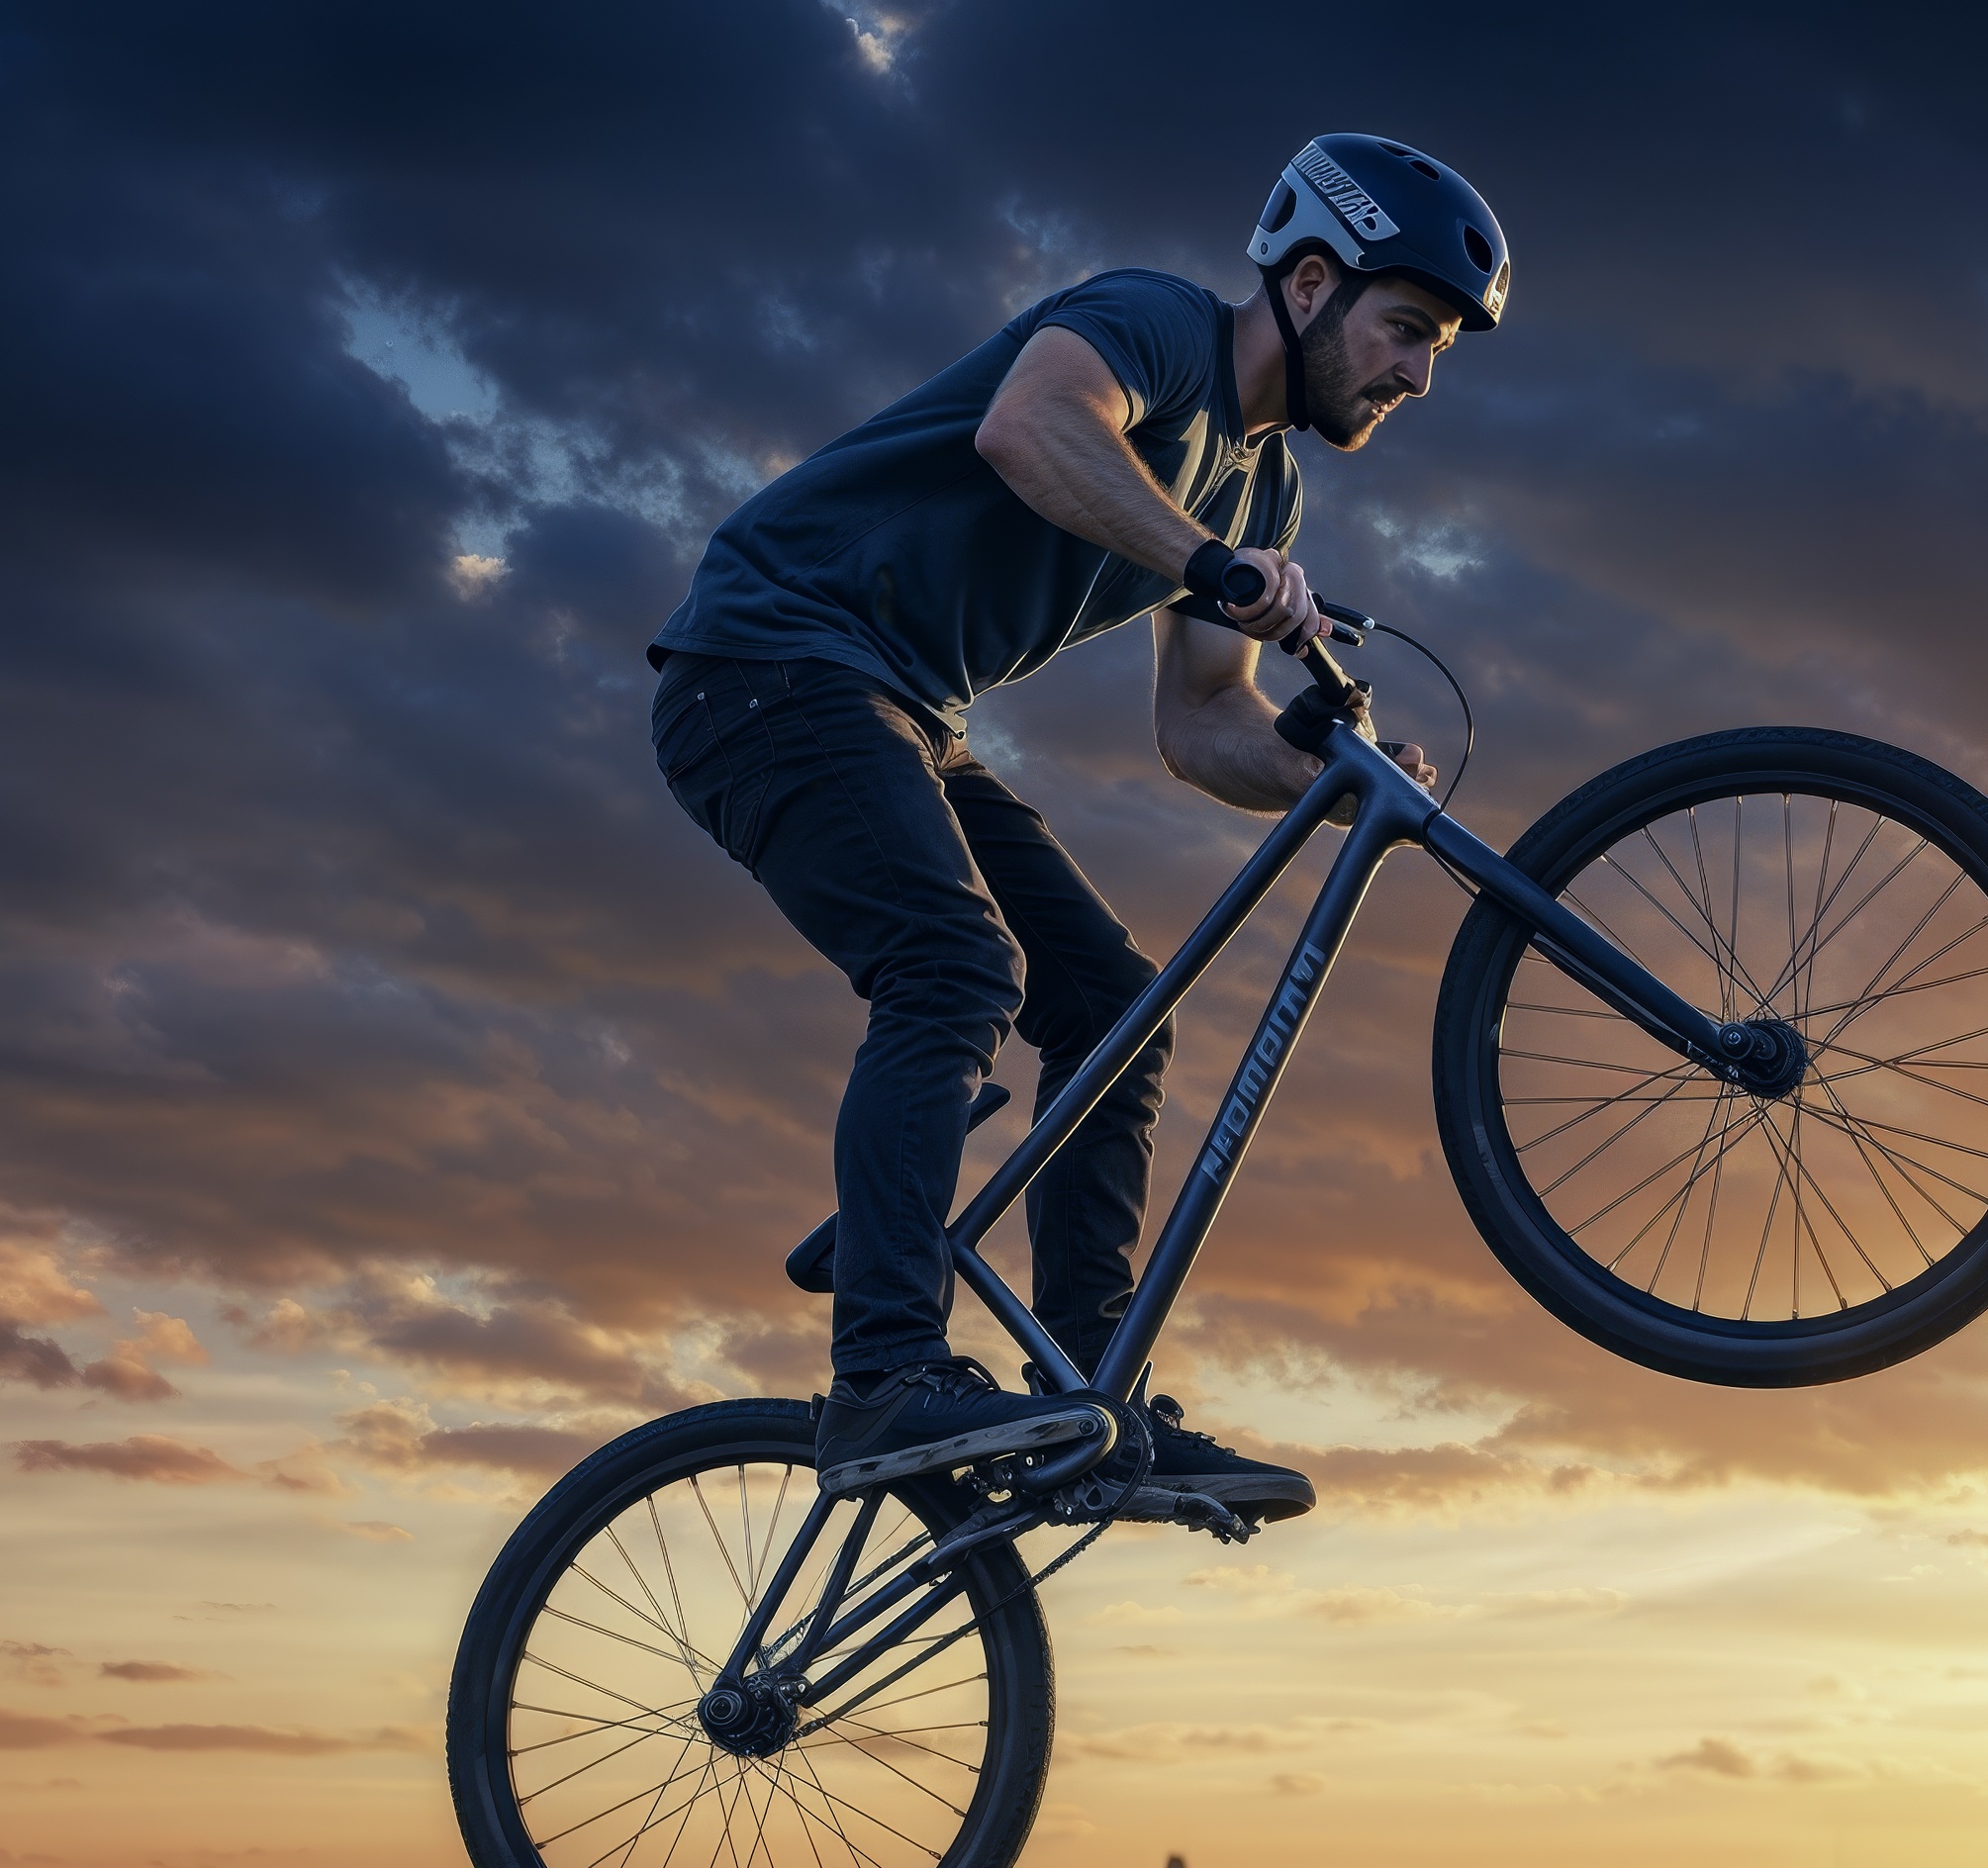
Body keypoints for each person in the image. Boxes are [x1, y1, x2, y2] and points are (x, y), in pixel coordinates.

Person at [647, 136, 1511, 1524]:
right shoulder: (1154, 326)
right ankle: (885, 1376)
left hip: (903, 712)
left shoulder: (1265, 492)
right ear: (1307, 284)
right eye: (1405, 328)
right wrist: (1208, 564)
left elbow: (1203, 722)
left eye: (1438, 350)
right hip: (766, 665)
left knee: (1113, 1007)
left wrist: (1330, 772)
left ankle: (1090, 1396)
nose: (1418, 373)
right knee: (952, 965)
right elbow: (1031, 424)